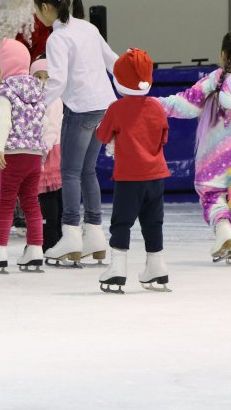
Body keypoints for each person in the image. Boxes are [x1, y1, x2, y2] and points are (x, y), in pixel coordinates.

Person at [157, 31, 231, 264]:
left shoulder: (214, 81)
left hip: (216, 153)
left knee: (212, 194)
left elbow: (185, 103)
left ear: (223, 55)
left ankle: (223, 231)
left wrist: (155, 105)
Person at [34, 0, 118, 266]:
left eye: (37, 10)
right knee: (87, 170)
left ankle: (71, 234)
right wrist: (133, 85)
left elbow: (57, 81)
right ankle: (94, 234)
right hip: (104, 107)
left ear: (46, 8)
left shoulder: (57, 38)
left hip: (81, 109)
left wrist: (36, 106)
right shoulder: (88, 28)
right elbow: (113, 61)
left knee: (69, 172)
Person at [95, 48, 171, 293]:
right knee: (153, 222)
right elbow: (163, 138)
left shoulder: (116, 109)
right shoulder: (157, 107)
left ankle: (118, 268)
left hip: (128, 178)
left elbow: (102, 135)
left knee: (122, 222)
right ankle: (156, 266)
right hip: (156, 176)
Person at [0, 40, 49, 273]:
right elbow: (44, 122)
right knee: (31, 202)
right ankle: (35, 249)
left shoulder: (5, 91)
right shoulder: (37, 89)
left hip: (12, 154)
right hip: (34, 155)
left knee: (6, 203)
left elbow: (4, 121)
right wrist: (40, 147)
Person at [30, 58, 64, 253]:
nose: (42, 82)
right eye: (37, 77)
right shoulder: (40, 99)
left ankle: (50, 239)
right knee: (54, 197)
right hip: (51, 150)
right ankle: (56, 236)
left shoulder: (52, 100)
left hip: (50, 153)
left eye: (46, 78)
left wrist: (41, 154)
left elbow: (50, 129)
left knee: (49, 197)